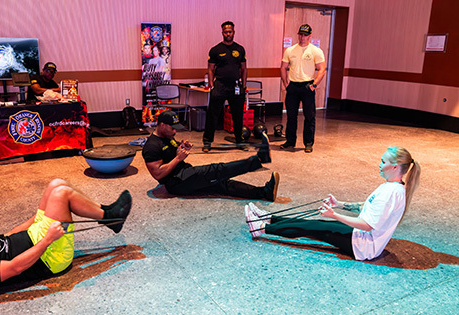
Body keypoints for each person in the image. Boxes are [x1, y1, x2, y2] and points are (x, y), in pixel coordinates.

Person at [0, 179, 132, 290]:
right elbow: (16, 267)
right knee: (62, 194)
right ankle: (110, 216)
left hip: (36, 237)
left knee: (56, 185)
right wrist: (48, 238)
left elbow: (8, 236)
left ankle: (109, 215)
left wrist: (38, 217)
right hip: (49, 257)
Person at [245, 146, 421, 261]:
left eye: (383, 162)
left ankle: (261, 228)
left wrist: (334, 215)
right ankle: (267, 218)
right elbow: (367, 207)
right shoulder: (393, 186)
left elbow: (368, 225)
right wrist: (339, 204)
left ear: (396, 166)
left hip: (361, 245)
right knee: (312, 224)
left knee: (311, 228)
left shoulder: (391, 193)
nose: (379, 165)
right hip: (359, 236)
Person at [142, 110, 280, 201]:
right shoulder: (151, 146)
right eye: (172, 128)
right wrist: (178, 158)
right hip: (177, 182)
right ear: (161, 125)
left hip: (185, 173)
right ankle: (259, 159)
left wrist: (181, 147)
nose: (175, 132)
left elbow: (172, 151)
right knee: (218, 170)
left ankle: (263, 192)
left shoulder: (167, 136)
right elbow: (158, 174)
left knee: (222, 184)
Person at [280, 24, 326, 153]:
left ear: (310, 35)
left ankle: (308, 143)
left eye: (305, 35)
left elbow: (322, 69)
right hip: (293, 86)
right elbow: (283, 67)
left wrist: (314, 84)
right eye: (300, 34)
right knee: (291, 116)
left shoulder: (316, 51)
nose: (302, 37)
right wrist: (286, 83)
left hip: (307, 87)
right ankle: (290, 141)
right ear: (298, 35)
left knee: (309, 116)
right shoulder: (290, 50)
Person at [203, 21, 248, 152]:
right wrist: (211, 85)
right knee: (213, 114)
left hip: (236, 86)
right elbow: (210, 69)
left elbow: (244, 69)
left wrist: (244, 85)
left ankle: (240, 142)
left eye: (230, 31)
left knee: (238, 115)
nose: (228, 33)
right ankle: (207, 142)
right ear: (222, 32)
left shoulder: (240, 49)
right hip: (220, 86)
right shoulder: (215, 50)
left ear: (234, 32)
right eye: (226, 31)